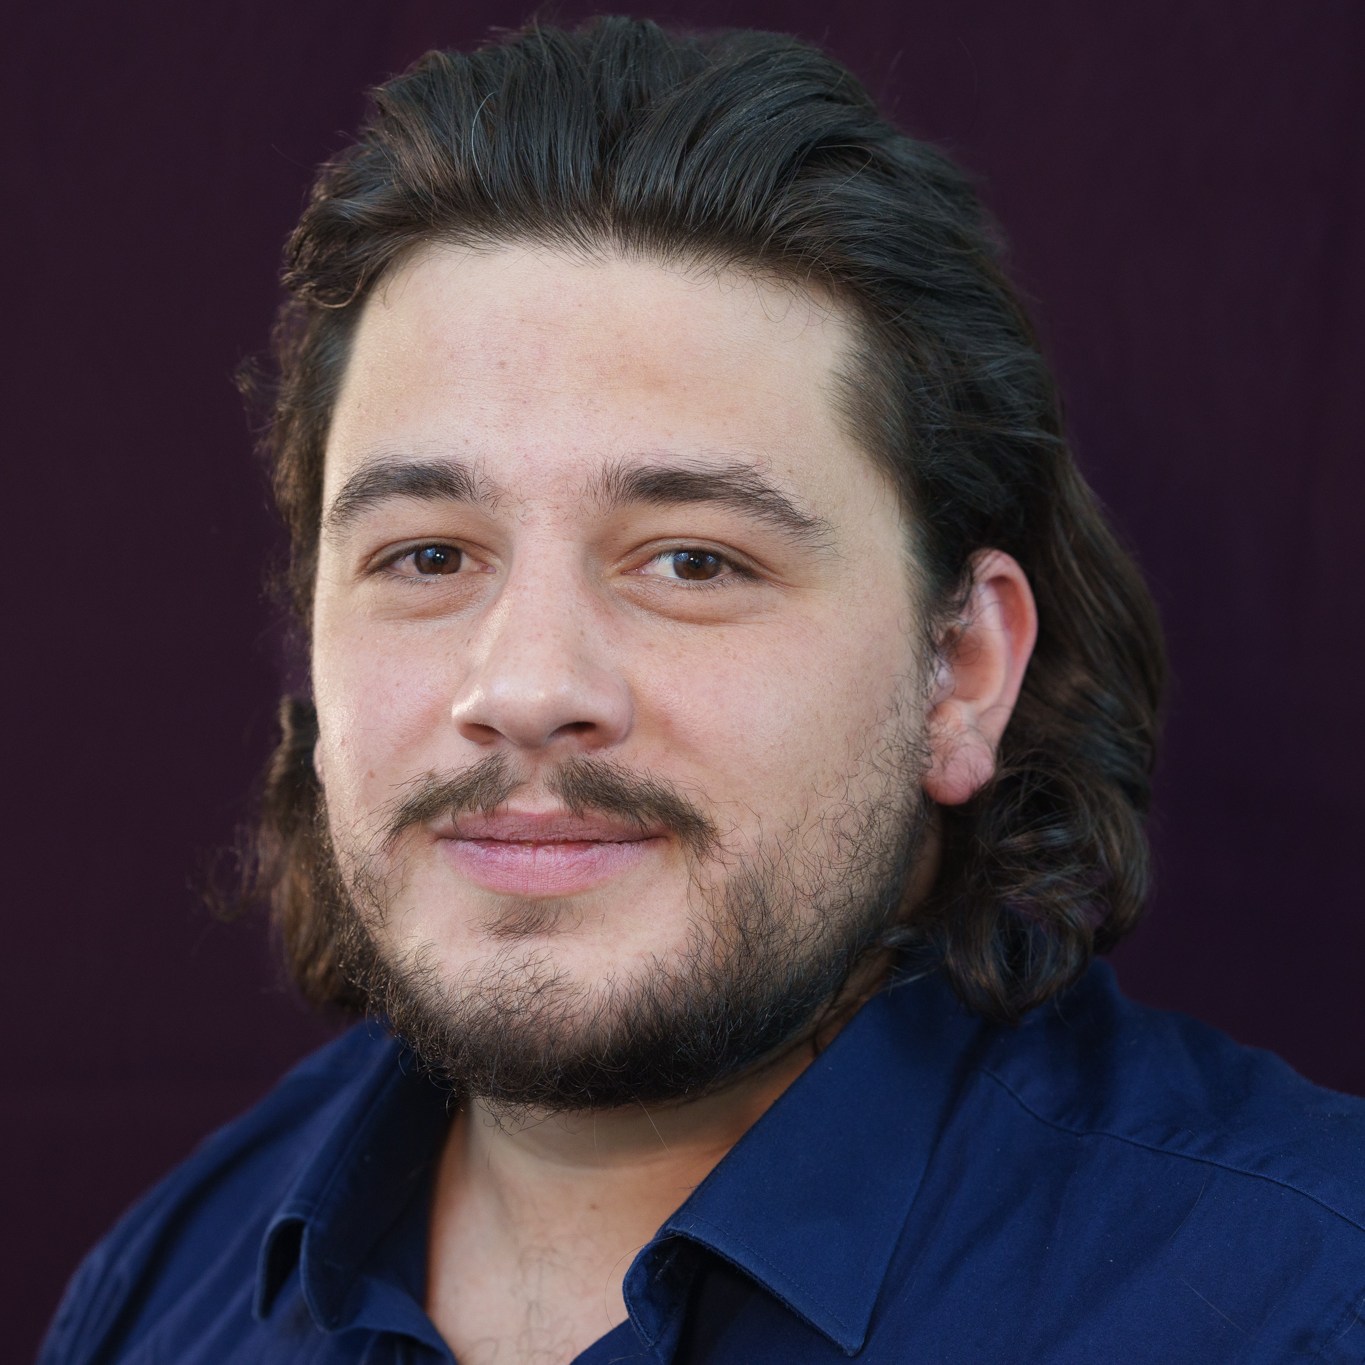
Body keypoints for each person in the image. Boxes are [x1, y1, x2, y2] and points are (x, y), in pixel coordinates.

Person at [40, 16, 1365, 1364]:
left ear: (961, 670)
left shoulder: (1304, 1308)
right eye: (428, 555)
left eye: (692, 560)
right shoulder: (165, 1296)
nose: (527, 687)